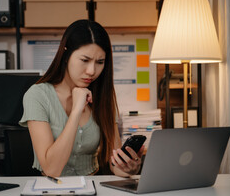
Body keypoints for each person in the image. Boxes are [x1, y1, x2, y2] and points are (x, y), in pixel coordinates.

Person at [19, 19, 144, 177]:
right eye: (85, 60)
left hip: (93, 190)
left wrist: (128, 169)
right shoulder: (37, 95)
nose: (92, 71)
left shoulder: (103, 96)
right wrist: (77, 110)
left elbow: (114, 164)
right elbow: (51, 170)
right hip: (51, 192)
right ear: (66, 55)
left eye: (100, 62)